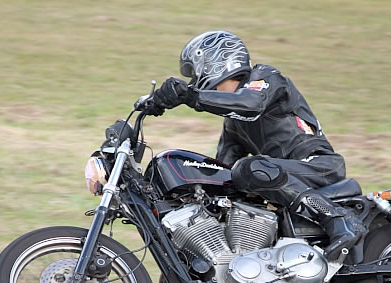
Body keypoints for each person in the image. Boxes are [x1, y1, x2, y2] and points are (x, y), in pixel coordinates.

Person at [149, 30, 366, 260]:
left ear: (215, 61)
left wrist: (191, 96)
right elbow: (223, 172)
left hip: (318, 165)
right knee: (236, 177)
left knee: (249, 168)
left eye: (194, 72)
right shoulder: (233, 122)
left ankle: (338, 219)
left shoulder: (266, 77)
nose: (194, 81)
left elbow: (250, 104)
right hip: (283, 176)